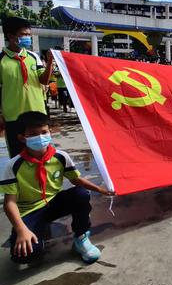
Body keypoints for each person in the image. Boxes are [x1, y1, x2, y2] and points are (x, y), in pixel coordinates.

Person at [0, 111, 114, 264]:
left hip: (54, 203)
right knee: (25, 255)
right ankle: (27, 232)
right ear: (22, 137)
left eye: (44, 132)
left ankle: (81, 238)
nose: (40, 137)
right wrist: (21, 230)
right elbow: (10, 203)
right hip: (29, 210)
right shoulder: (13, 165)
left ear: (50, 132)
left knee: (81, 194)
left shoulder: (60, 157)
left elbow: (76, 180)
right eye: (33, 134)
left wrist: (100, 190)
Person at [0, 16, 54, 157]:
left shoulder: (33, 57)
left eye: (29, 35)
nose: (27, 38)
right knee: (18, 156)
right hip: (13, 117)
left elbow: (44, 81)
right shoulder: (1, 60)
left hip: (37, 114)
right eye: (24, 35)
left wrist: (49, 63)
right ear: (11, 36)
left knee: (42, 154)